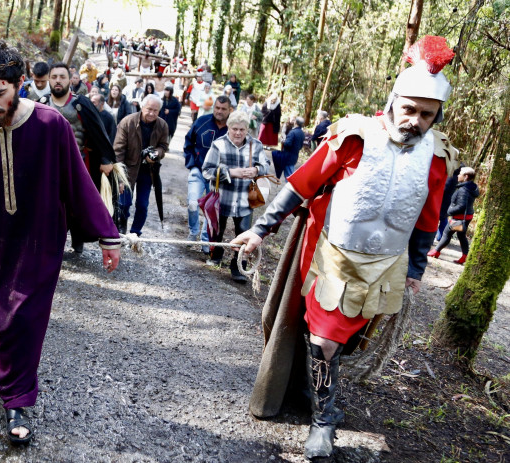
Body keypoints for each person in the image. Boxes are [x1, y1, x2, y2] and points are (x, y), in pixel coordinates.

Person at [230, 35, 459, 461]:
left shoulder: (438, 156)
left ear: (436, 115)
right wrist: (260, 231)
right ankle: (324, 419)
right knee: (325, 340)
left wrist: (415, 270)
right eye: (409, 109)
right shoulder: (354, 135)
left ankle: (311, 389)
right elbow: (301, 185)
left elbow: (428, 217)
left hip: (386, 263)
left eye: (426, 114)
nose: (414, 120)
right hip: (333, 255)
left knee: (345, 344)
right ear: (394, 101)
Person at [0, 40, 120, 445]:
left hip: (40, 239)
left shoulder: (52, 125)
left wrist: (107, 234)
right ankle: (10, 383)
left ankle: (17, 398)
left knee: (28, 316)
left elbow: (78, 184)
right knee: (1, 315)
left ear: (19, 84)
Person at [39, 62, 116, 254]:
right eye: (54, 77)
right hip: (48, 165)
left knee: (78, 202)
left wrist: (106, 159)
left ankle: (78, 237)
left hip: (79, 161)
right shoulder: (40, 104)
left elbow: (99, 132)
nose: (58, 81)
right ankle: (52, 241)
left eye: (62, 77)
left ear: (69, 80)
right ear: (49, 80)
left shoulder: (81, 103)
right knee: (50, 204)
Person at [202, 111, 269, 281]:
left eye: (242, 129)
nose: (238, 133)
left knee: (244, 233)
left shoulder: (256, 145)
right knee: (218, 230)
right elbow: (207, 170)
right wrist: (231, 173)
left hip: (246, 199)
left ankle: (238, 267)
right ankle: (215, 255)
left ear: (247, 129)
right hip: (223, 197)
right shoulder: (219, 145)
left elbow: (265, 166)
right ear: (228, 128)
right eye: (234, 129)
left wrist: (256, 170)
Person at [114, 94, 169, 235]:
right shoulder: (128, 122)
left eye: (155, 110)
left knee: (143, 205)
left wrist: (156, 154)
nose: (152, 113)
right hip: (127, 169)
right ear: (142, 107)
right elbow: (118, 151)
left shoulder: (162, 125)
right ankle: (121, 228)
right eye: (149, 109)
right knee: (123, 203)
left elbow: (163, 145)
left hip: (148, 171)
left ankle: (135, 233)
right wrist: (119, 177)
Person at [183, 96, 231, 250]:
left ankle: (205, 241)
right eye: (217, 108)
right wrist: (192, 164)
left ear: (230, 110)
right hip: (198, 170)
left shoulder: (233, 129)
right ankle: (193, 232)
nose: (219, 111)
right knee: (192, 203)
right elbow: (188, 143)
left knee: (211, 210)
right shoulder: (202, 122)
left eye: (223, 109)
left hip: (218, 177)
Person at [428, 167, 479, 264]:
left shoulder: (463, 190)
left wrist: (449, 211)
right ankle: (465, 256)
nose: (458, 175)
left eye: (460, 174)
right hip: (466, 217)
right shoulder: (470, 188)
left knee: (447, 233)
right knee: (461, 235)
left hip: (459, 218)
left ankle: (436, 251)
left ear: (466, 177)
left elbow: (461, 206)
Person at [435, 165, 463, 242]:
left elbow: (445, 189)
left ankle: (439, 237)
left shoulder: (451, 177)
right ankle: (441, 237)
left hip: (444, 200)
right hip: (448, 201)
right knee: (443, 218)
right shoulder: (456, 178)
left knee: (438, 218)